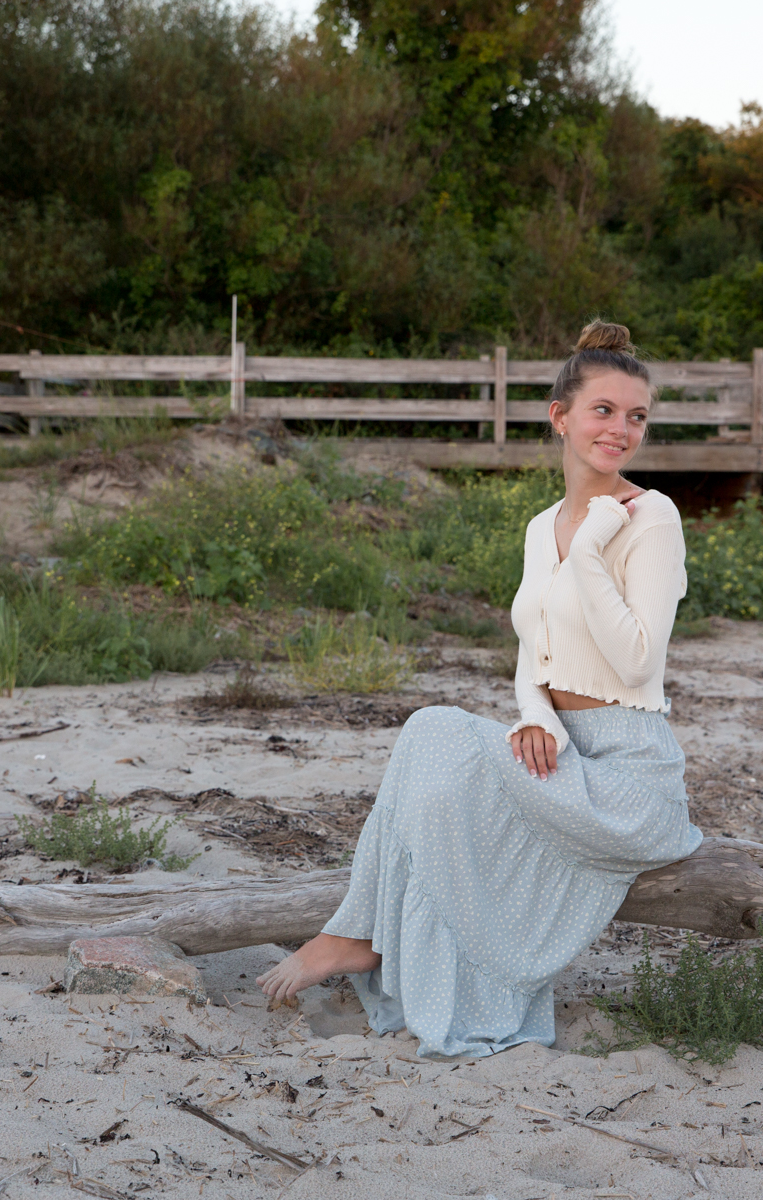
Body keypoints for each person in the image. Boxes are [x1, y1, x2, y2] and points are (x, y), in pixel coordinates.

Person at [256, 320, 703, 1057]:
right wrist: (538, 718)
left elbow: (634, 661)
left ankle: (355, 937)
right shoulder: (538, 527)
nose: (621, 429)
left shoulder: (649, 517)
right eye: (603, 410)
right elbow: (535, 651)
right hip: (559, 757)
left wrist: (591, 547)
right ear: (559, 415)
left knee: (433, 728)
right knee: (428, 737)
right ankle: (357, 936)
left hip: (629, 782)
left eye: (636, 415)